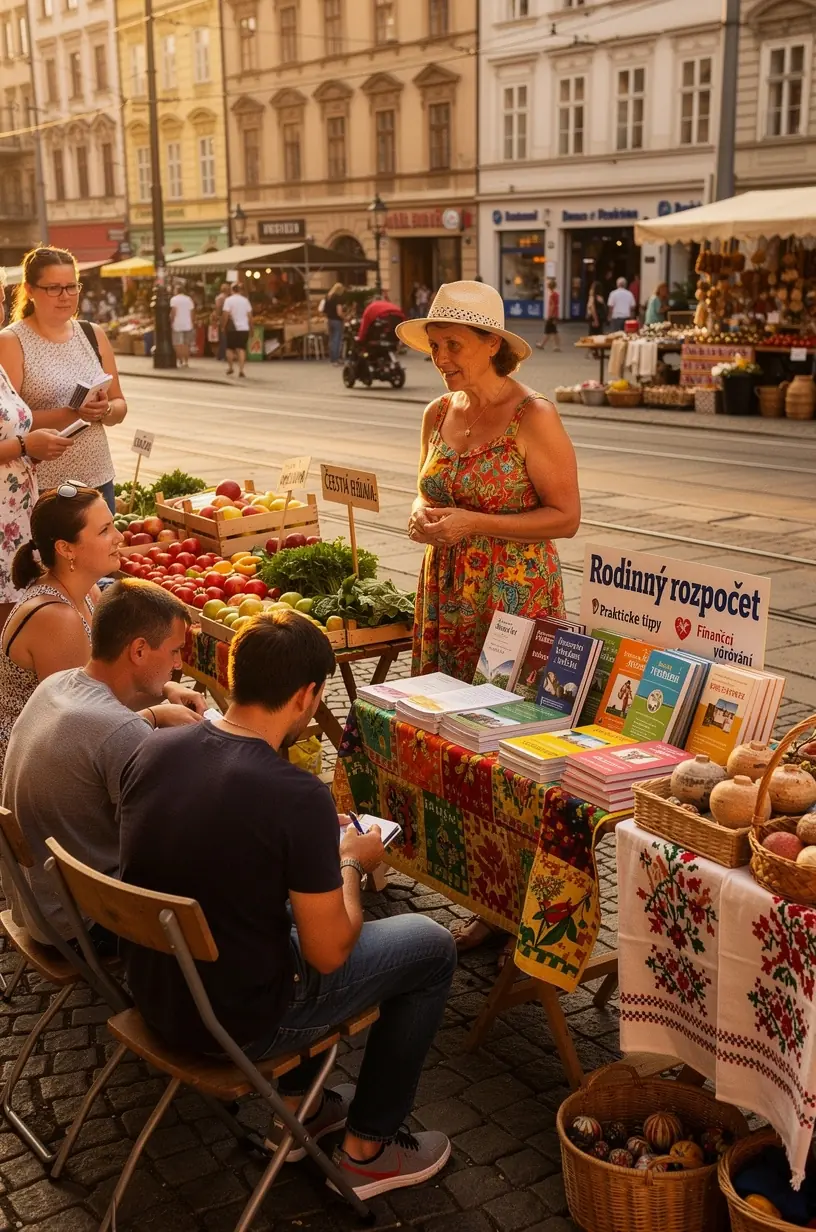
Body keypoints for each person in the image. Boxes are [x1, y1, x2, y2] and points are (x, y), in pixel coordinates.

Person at [118, 610, 456, 1199]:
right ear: (306, 696)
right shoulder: (296, 794)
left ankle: (301, 1111)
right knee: (433, 946)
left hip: (157, 995)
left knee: (279, 927)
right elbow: (329, 952)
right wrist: (351, 862)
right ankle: (368, 1149)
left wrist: (306, 852)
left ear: (233, 675)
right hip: (237, 1023)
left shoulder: (154, 749)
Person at [399, 283, 581, 959]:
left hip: (513, 602)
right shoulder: (436, 411)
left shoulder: (533, 416)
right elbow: (425, 489)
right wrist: (420, 517)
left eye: (453, 345)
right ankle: (485, 898)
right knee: (457, 752)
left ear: (492, 345)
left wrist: (476, 523)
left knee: (513, 755)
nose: (441, 358)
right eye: (434, 346)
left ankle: (528, 906)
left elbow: (565, 517)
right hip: (447, 596)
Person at [2, 579, 204, 944]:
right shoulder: (121, 733)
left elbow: (97, 736)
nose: (178, 664)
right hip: (84, 926)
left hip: (38, 907)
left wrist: (154, 714)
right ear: (138, 650)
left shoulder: (58, 684)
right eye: (174, 651)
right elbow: (171, 844)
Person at [0, 485, 124, 778]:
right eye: (104, 530)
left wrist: (163, 690)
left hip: (58, 749)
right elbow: (78, 726)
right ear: (66, 549)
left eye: (113, 525)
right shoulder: (56, 617)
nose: (119, 537)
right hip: (29, 772)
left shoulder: (87, 592)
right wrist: (154, 714)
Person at [0, 246, 128, 514]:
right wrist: (73, 413)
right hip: (46, 485)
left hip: (97, 476)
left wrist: (105, 410)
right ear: (30, 290)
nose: (65, 296)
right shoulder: (12, 341)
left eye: (71, 287)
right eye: (53, 288)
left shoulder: (92, 333)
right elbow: (10, 421)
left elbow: (119, 404)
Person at [0, 271, 74, 625]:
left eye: (0, 299)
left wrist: (31, 449)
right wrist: (25, 444)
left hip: (14, 513)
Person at [221, 281, 253, 378]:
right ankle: (241, 370)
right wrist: (251, 328)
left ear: (231, 290)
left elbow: (225, 315)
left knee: (230, 348)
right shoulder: (245, 301)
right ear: (240, 290)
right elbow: (250, 316)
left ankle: (231, 367)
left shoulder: (228, 300)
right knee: (241, 349)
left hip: (232, 328)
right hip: (244, 328)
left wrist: (223, 326)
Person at [169, 285, 196, 367]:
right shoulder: (188, 299)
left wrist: (171, 321)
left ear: (176, 291)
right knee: (186, 344)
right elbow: (192, 312)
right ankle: (186, 361)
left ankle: (180, 361)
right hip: (188, 324)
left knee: (178, 344)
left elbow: (173, 312)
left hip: (177, 324)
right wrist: (192, 322)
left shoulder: (174, 299)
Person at [536, 278, 561, 351]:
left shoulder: (552, 295)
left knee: (548, 330)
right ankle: (556, 346)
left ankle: (542, 345)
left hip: (552, 315)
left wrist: (550, 315)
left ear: (549, 287)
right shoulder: (556, 294)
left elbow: (552, 305)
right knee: (554, 331)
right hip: (555, 315)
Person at [324, 282, 345, 365]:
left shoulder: (328, 297)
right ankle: (336, 359)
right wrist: (344, 317)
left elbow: (324, 310)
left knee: (332, 339)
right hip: (337, 320)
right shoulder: (338, 298)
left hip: (330, 319)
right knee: (337, 340)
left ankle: (332, 358)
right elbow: (339, 312)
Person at [213, 281, 230, 362]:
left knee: (222, 336)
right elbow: (219, 308)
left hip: (222, 318)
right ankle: (223, 354)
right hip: (225, 318)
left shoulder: (219, 297)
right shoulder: (225, 298)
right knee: (224, 337)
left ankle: (221, 354)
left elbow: (218, 308)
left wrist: (216, 317)